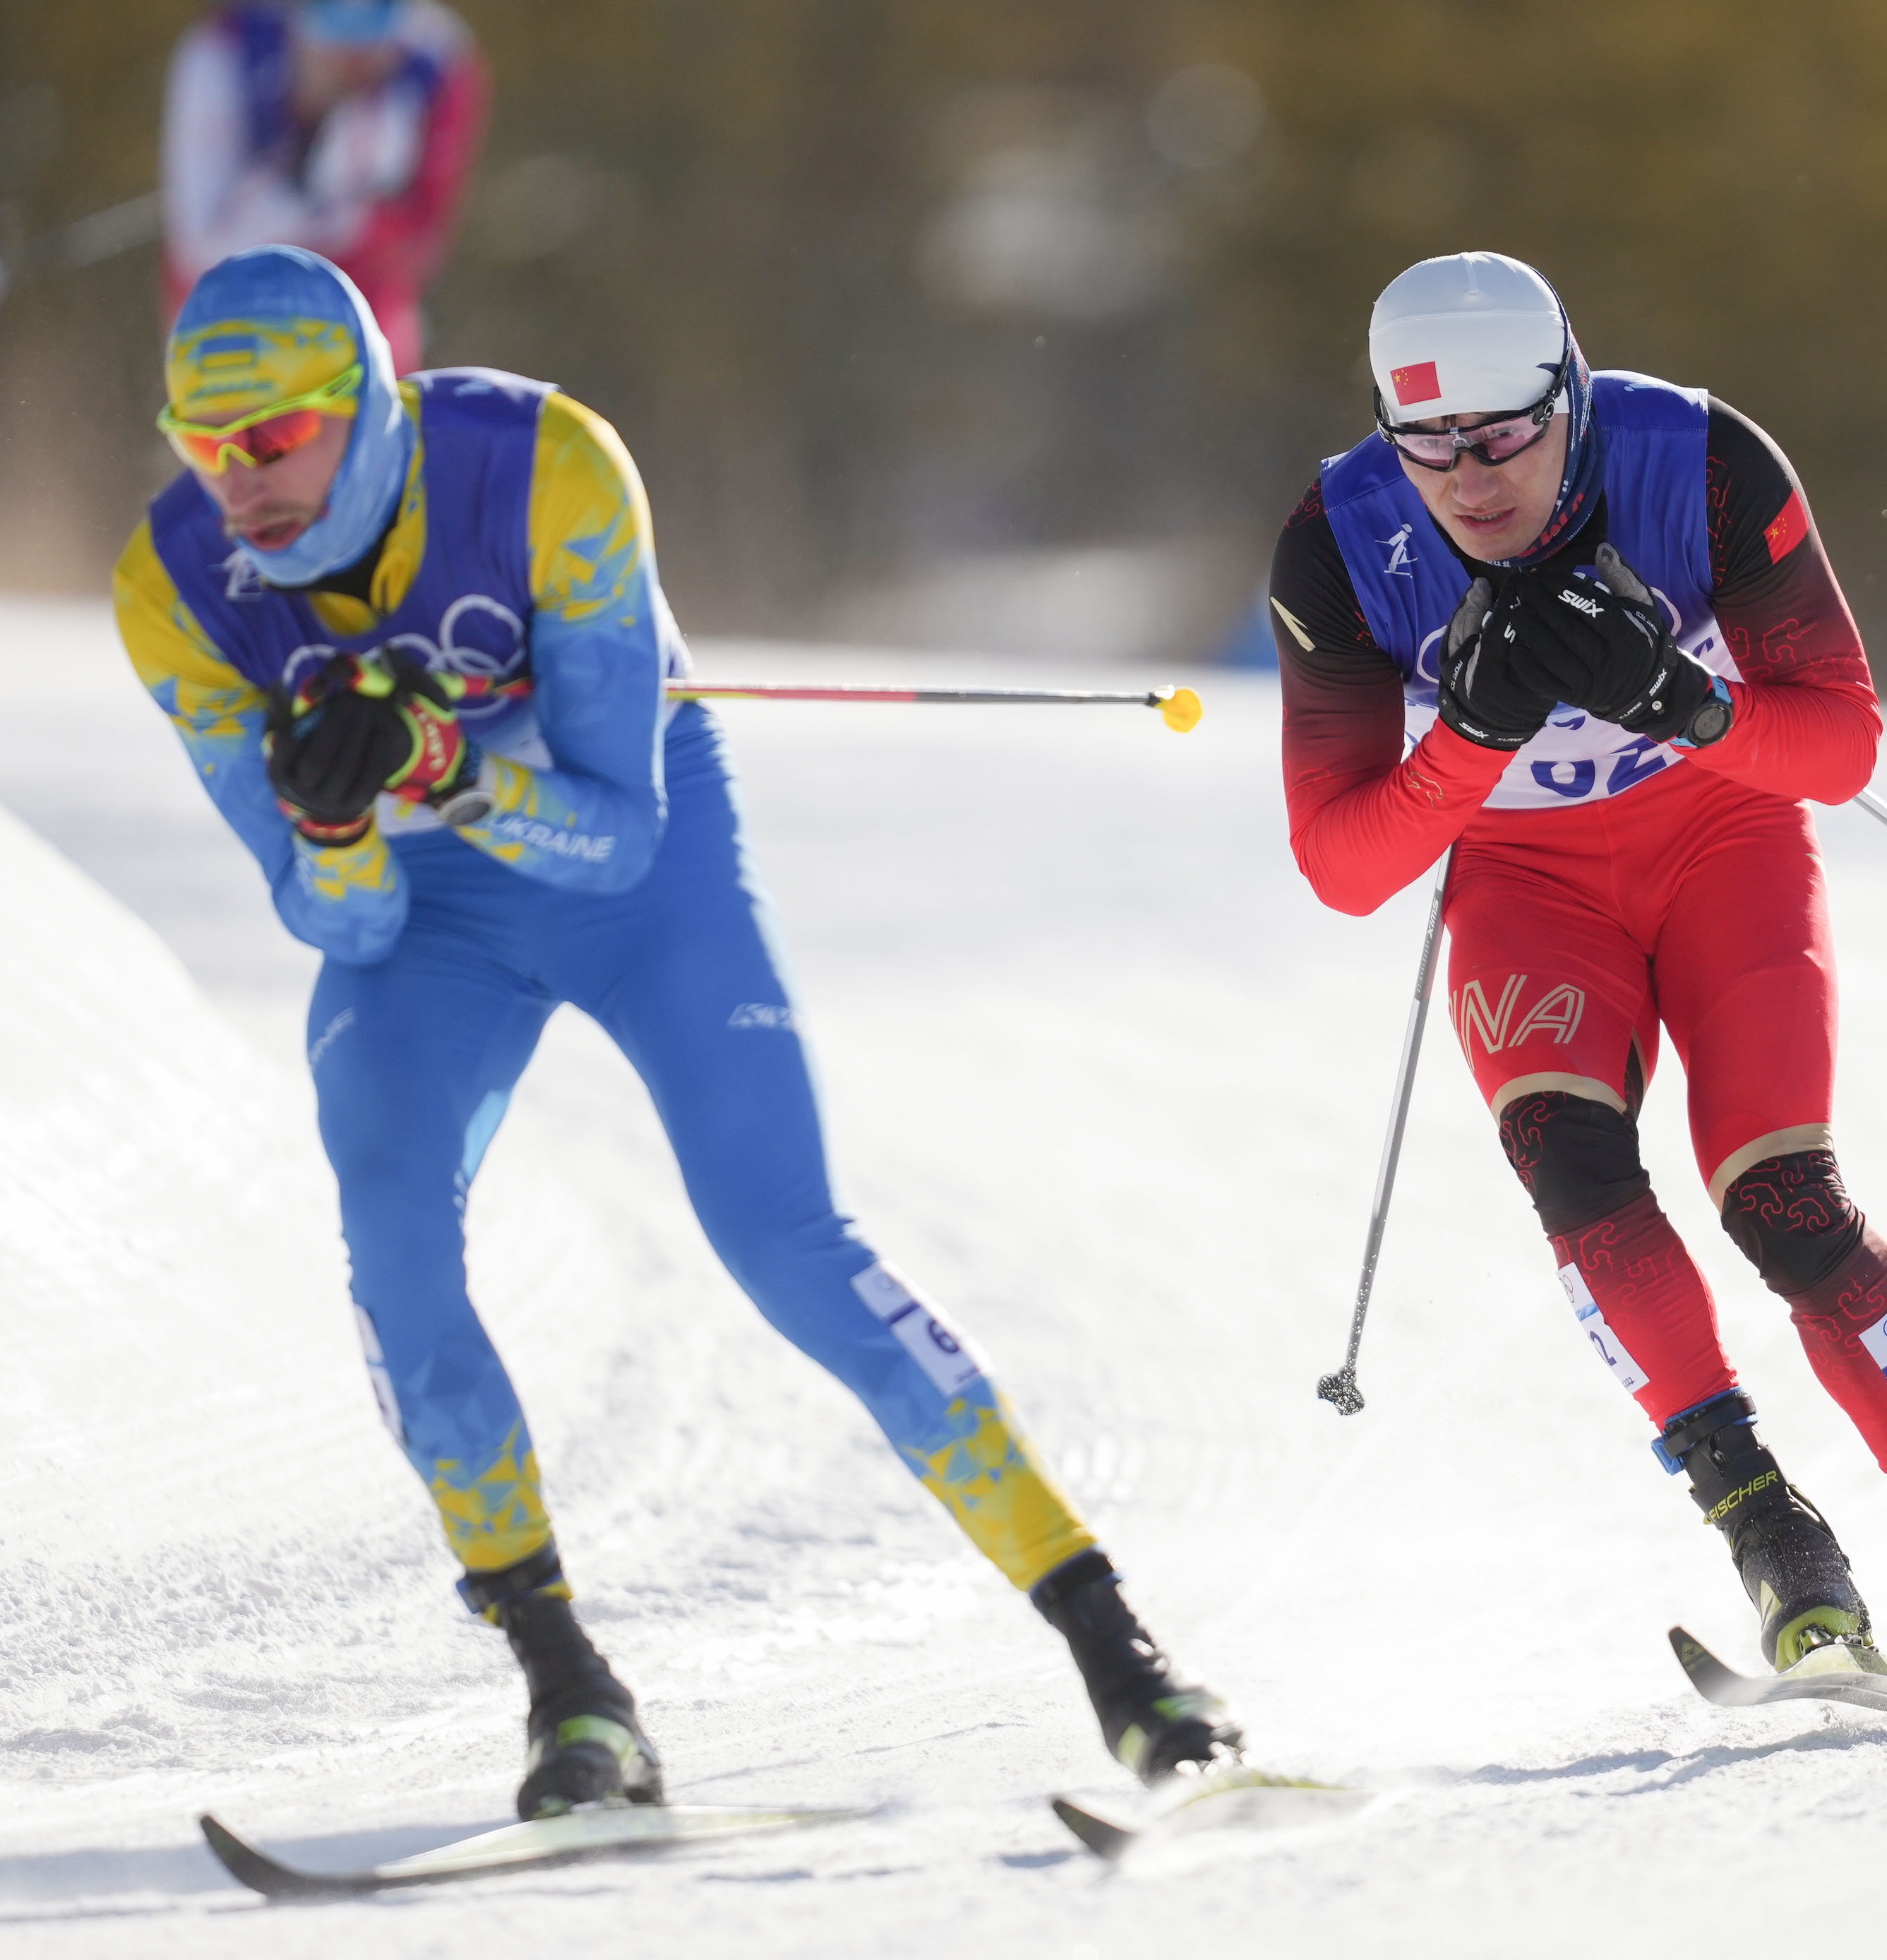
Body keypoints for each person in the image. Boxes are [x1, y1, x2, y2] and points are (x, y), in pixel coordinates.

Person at [113, 246, 1236, 1816]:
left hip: (625, 853)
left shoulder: (546, 466)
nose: (238, 481)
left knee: (784, 1237)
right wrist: (342, 814)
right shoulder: (173, 588)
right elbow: (342, 925)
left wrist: (448, 773)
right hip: (431, 911)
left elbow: (621, 834)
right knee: (392, 1244)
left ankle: (1125, 1656)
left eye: (274, 435)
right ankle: (571, 1692)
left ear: (361, 403)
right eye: (201, 443)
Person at [1265, 251, 1887, 1707]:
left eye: (1505, 434)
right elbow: (1342, 862)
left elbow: (1840, 747)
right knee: (1576, 1177)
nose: (1469, 479)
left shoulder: (1701, 463)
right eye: (1430, 444)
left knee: (1782, 1203)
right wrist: (1466, 740)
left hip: (1721, 841)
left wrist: (1683, 701)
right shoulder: (1339, 541)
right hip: (1527, 883)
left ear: (1570, 392)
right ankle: (1772, 1535)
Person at [162, 0, 489, 369]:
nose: (351, 55)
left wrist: (359, 214)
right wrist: (297, 188)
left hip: (362, 322)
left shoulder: (437, 60)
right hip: (232, 330)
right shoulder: (225, 52)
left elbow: (423, 244)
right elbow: (199, 248)